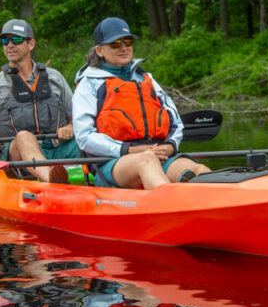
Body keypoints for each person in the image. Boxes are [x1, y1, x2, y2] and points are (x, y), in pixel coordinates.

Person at [72, 17, 210, 189]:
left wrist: (169, 146)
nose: (123, 47)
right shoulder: (89, 84)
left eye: (127, 41)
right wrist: (129, 150)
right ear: (99, 50)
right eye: (115, 44)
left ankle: (215, 204)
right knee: (147, 160)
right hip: (113, 163)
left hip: (158, 155)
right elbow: (85, 137)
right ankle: (170, 203)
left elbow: (175, 123)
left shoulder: (147, 79)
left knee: (199, 170)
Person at [0, 18, 79, 182]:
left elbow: (77, 119)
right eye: (5, 40)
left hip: (57, 147)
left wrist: (70, 127)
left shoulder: (55, 78)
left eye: (16, 40)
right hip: (17, 154)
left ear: (31, 44)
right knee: (24, 136)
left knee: (90, 136)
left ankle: (116, 175)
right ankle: (52, 179)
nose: (9, 45)